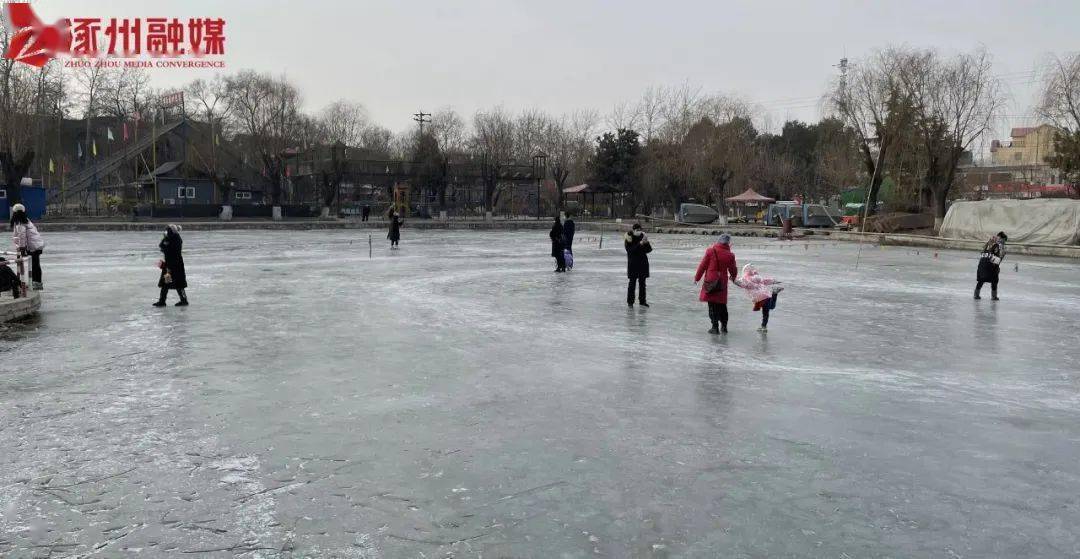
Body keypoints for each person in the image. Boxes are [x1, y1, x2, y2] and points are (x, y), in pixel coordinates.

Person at [694, 233, 738, 334]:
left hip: (711, 281)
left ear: (718, 241)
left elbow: (702, 266)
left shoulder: (711, 251)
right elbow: (733, 269)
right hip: (722, 282)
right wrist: (733, 277)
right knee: (722, 304)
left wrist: (697, 278)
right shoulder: (730, 255)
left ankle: (714, 327)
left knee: (712, 304)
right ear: (728, 243)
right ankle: (724, 326)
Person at [735, 264, 783, 332]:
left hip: (760, 298)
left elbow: (741, 284)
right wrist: (774, 281)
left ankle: (764, 327)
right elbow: (767, 280)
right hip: (766, 295)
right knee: (768, 309)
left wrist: (732, 279)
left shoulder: (748, 281)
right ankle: (763, 326)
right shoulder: (759, 279)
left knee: (768, 310)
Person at [10, 203, 44, 291]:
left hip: (33, 246)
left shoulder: (20, 222)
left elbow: (22, 236)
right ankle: (36, 283)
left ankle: (36, 284)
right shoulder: (26, 220)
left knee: (35, 264)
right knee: (35, 264)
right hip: (36, 245)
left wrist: (22, 248)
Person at [154, 224, 188, 307]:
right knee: (166, 283)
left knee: (178, 283)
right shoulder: (170, 238)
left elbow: (168, 249)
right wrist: (165, 239)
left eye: (168, 230)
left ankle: (183, 300)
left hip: (175, 265)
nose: (167, 232)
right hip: (169, 264)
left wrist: (165, 241)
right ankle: (162, 301)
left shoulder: (176, 239)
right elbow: (162, 245)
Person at [624, 224, 652, 307]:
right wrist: (640, 244)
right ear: (634, 230)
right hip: (633, 263)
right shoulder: (629, 237)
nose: (639, 231)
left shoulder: (643, 236)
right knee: (632, 283)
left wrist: (646, 243)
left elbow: (649, 250)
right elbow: (630, 250)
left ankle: (642, 301)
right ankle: (630, 302)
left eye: (640, 229)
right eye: (637, 230)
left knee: (642, 284)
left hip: (643, 263)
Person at [975, 231, 1007, 300]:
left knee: (981, 279)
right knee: (994, 280)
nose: (1004, 242)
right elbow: (998, 258)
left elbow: (983, 250)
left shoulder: (989, 241)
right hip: (990, 264)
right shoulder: (1000, 245)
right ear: (1001, 238)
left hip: (982, 263)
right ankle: (994, 296)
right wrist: (1001, 257)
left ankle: (976, 294)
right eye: (1004, 240)